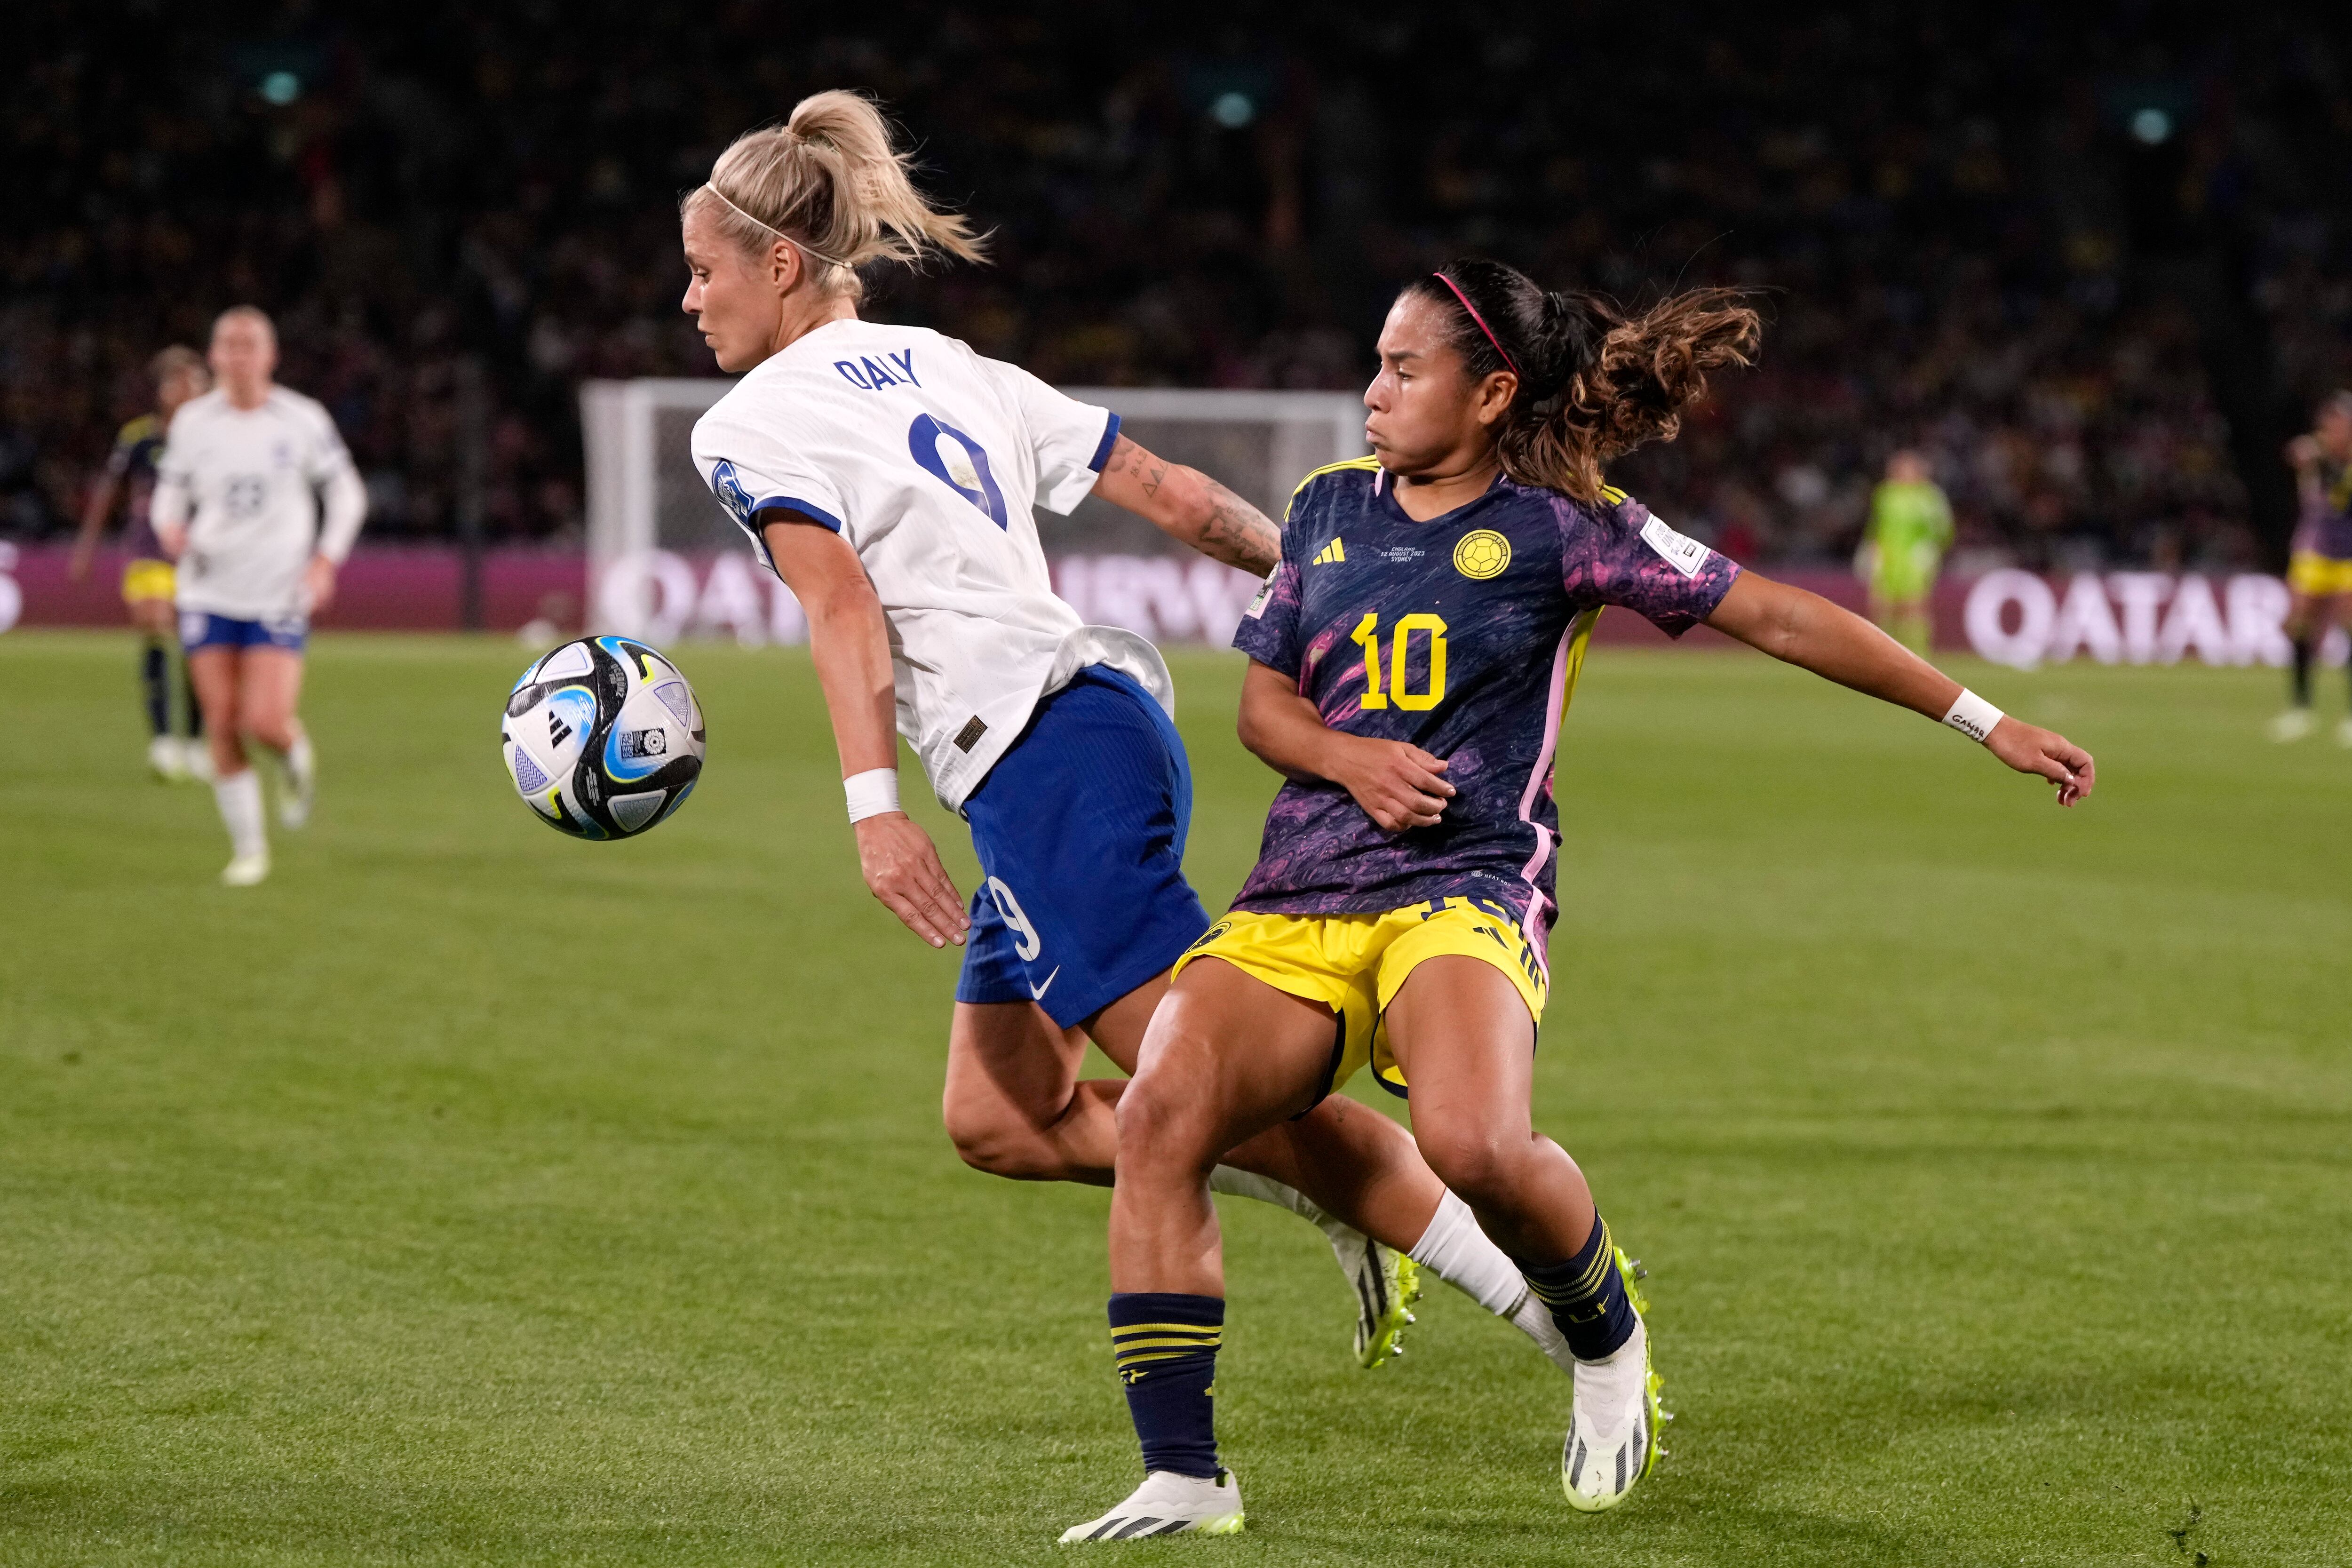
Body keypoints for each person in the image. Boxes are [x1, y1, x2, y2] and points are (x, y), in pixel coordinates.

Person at [1066, 259, 2096, 1541]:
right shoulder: (1327, 508)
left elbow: (1774, 616)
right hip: (1303, 888)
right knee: (1166, 1111)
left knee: (1477, 1144)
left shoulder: (1569, 524)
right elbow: (1265, 703)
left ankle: (1606, 1343)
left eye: (1403, 367)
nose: (1371, 390)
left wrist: (1980, 717)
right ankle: (1185, 1470)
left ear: (1493, 391)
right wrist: (1348, 755)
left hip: (1468, 879)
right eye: (1375, 360)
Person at [680, 93, 1587, 1384]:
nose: (690, 299)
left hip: (1043, 754)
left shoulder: (750, 423)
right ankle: (1342, 1199)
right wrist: (1338, 572)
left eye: (704, 270)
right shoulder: (952, 362)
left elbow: (841, 605)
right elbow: (1169, 492)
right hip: (1089, 731)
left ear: (780, 265)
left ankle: (1548, 1304)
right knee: (1002, 1115)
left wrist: (875, 807)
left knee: (1207, 1082)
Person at [152, 307, 367, 886]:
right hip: (207, 590)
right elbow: (167, 497)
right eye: (229, 344)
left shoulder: (301, 419)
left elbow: (347, 495)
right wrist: (170, 529)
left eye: (251, 344)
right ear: (215, 356)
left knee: (265, 721)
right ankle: (249, 850)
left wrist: (325, 562)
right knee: (221, 720)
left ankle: (293, 752)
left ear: (270, 357)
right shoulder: (194, 422)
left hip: (276, 592)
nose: (240, 354)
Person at [68, 346, 213, 781]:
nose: (185, 390)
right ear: (162, 390)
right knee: (155, 627)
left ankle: (195, 742)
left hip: (200, 559)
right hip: (149, 554)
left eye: (193, 381)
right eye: (176, 381)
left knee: (196, 651)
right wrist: (86, 548)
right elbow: (109, 492)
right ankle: (163, 741)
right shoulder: (139, 438)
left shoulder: (214, 439)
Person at [2269, 391, 2352, 744]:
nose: (2337, 429)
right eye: (2332, 422)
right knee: (2299, 623)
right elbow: (2296, 453)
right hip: (2313, 551)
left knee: (2350, 625)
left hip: (2349, 554)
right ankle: (2301, 708)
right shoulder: (2313, 451)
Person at [1858, 448, 1953, 657]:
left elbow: (1944, 528)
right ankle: (1884, 653)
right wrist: (1871, 551)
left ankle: (1919, 653)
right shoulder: (1885, 494)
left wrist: (1932, 551)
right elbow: (1875, 526)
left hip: (1914, 560)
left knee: (1914, 607)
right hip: (1889, 557)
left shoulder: (1930, 496)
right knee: (1882, 606)